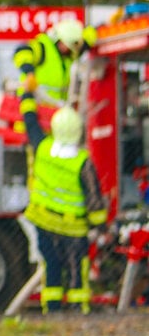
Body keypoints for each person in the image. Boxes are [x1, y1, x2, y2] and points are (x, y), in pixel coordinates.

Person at [21, 96, 107, 313]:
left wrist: (27, 97)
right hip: (73, 227)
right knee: (77, 267)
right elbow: (94, 199)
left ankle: (52, 308)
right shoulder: (82, 161)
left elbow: (30, 121)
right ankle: (78, 307)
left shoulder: (42, 147)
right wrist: (101, 227)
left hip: (44, 221)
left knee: (50, 264)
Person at [13, 18, 97, 123]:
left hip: (56, 114)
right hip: (35, 110)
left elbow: (89, 38)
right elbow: (22, 52)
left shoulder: (68, 55)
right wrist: (29, 73)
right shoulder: (44, 47)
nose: (71, 50)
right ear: (60, 40)